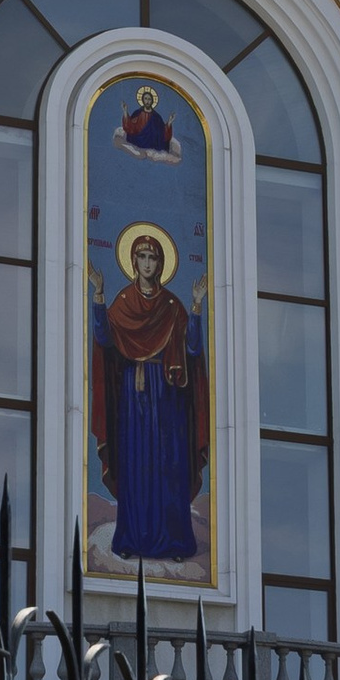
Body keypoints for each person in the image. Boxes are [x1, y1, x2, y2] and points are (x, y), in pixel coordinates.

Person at [90, 229, 208, 565]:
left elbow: (193, 347)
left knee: (167, 467)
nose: (147, 263)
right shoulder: (124, 302)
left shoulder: (173, 306)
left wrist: (197, 306)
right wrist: (98, 295)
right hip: (133, 394)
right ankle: (131, 538)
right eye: (141, 256)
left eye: (152, 257)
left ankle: (174, 541)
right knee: (135, 465)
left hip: (167, 397)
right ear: (132, 261)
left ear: (160, 263)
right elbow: (104, 338)